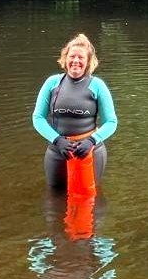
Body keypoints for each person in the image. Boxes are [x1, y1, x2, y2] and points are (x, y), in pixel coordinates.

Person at [32, 33, 118, 190]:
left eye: (81, 57)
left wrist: (92, 141)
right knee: (54, 199)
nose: (76, 61)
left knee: (88, 198)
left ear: (88, 61)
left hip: (89, 150)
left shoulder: (97, 85)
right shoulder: (52, 83)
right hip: (58, 150)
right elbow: (38, 117)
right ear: (65, 59)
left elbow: (111, 122)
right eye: (72, 56)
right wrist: (57, 140)